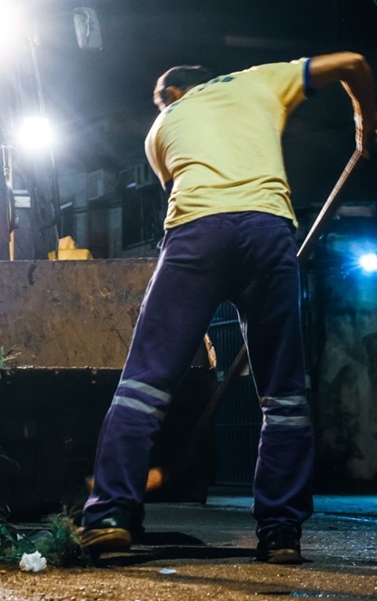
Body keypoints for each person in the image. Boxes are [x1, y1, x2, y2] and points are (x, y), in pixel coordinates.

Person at [78, 52, 376, 564]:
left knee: (143, 385)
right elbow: (353, 62)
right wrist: (366, 126)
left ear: (171, 94)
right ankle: (281, 532)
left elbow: (179, 189)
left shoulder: (161, 129)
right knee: (283, 395)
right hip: (268, 231)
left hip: (196, 234)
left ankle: (109, 516)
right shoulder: (262, 80)